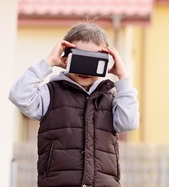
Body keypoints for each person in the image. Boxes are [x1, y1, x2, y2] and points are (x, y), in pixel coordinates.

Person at [9, 22, 140, 187]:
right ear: (65, 58)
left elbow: (129, 122)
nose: (84, 69)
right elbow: (19, 95)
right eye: (79, 59)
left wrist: (123, 78)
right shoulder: (51, 93)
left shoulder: (112, 97)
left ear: (106, 62)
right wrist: (48, 62)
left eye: (93, 61)